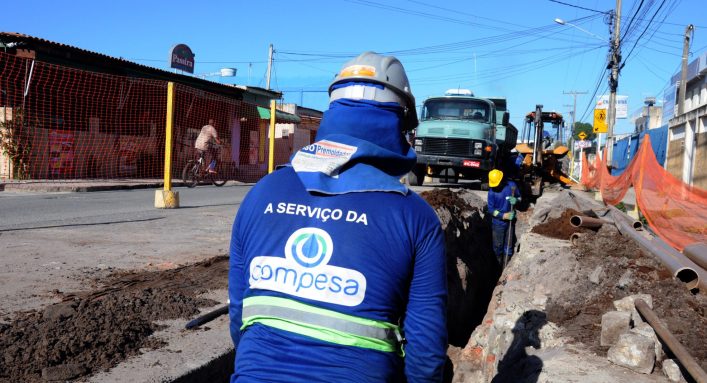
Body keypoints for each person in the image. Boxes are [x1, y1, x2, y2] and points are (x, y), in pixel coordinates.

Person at [229, 52, 448, 382]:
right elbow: (426, 352)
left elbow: (238, 316)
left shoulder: (261, 193)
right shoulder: (415, 217)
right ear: (401, 122)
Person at [487, 169, 521, 267]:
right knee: (497, 248)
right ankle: (496, 269)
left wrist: (516, 200)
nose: (495, 187)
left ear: (502, 180)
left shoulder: (512, 186)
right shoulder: (491, 192)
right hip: (498, 224)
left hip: (510, 222)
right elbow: (491, 209)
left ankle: (505, 270)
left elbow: (520, 198)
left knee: (508, 248)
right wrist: (503, 215)